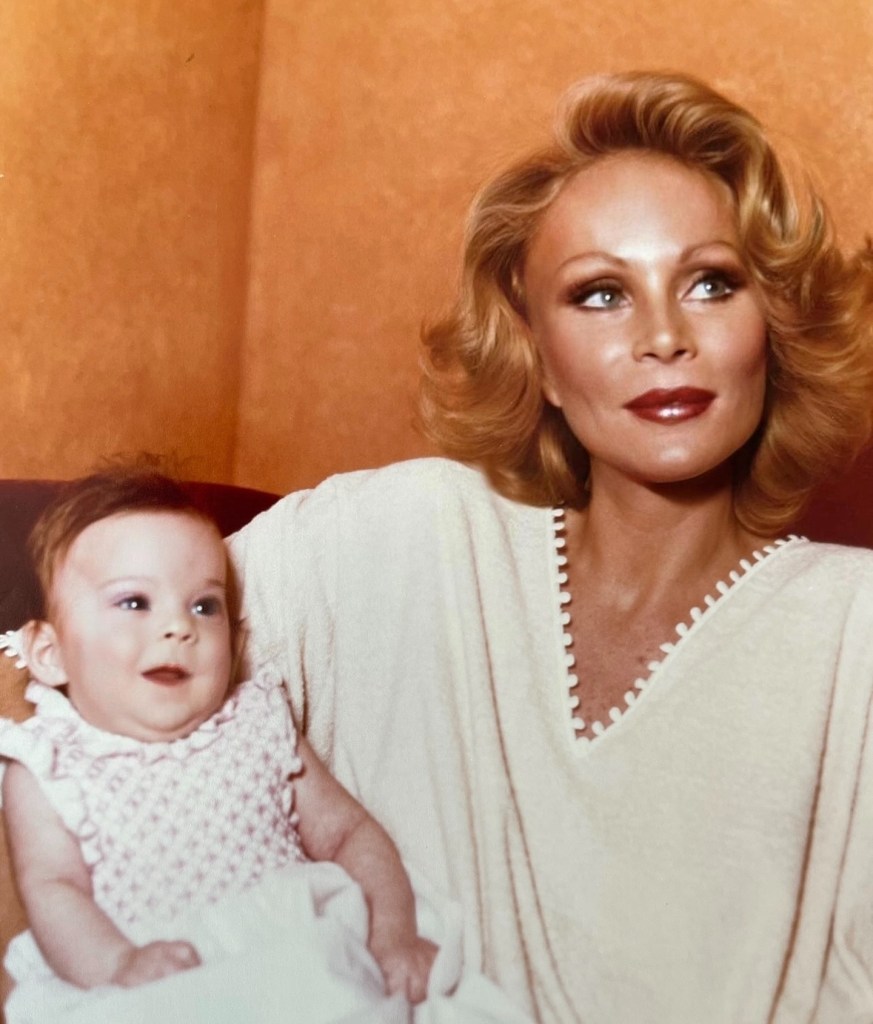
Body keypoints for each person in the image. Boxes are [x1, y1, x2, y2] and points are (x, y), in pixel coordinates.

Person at [228, 71, 873, 1023]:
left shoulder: (853, 628)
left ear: (771, 330)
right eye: (601, 293)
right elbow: (58, 691)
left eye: (709, 282)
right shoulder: (396, 537)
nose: (664, 337)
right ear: (538, 358)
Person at [0, 467, 521, 1024]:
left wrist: (394, 936)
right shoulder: (50, 765)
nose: (179, 626)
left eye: (204, 605)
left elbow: (351, 834)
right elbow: (53, 891)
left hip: (301, 962)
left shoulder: (256, 724)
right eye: (134, 602)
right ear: (49, 653)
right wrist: (118, 963)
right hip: (157, 979)